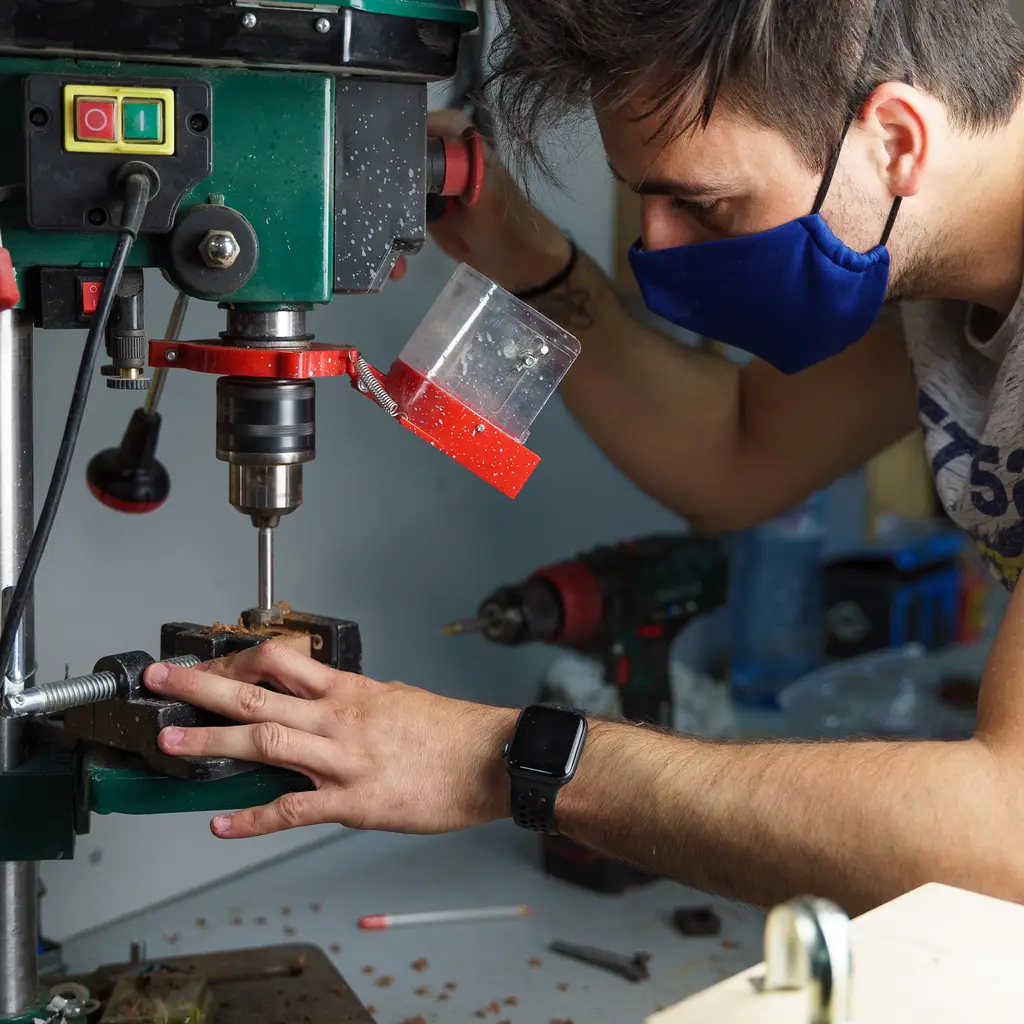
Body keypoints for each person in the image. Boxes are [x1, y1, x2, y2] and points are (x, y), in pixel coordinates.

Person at [144, 0, 1024, 916]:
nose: (657, 244)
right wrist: (532, 265)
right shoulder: (929, 266)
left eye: (703, 201)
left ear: (895, 142)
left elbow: (1008, 837)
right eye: (643, 195)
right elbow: (736, 456)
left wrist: (504, 760)